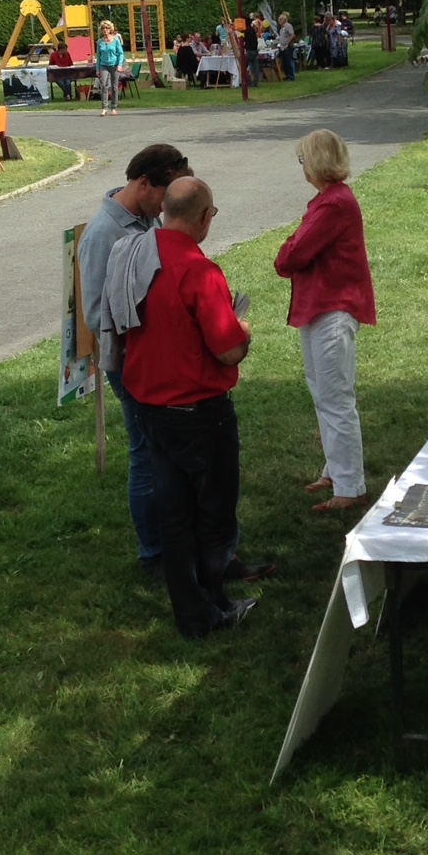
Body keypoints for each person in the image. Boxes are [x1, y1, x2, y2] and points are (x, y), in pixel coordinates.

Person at [123, 178, 261, 639]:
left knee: (175, 515)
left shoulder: (136, 256)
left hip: (150, 405)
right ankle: (213, 605)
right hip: (199, 412)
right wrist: (243, 330)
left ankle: (193, 613)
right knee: (214, 515)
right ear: (203, 217)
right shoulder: (200, 271)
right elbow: (227, 350)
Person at [77, 143, 191, 569]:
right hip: (129, 363)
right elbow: (95, 314)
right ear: (144, 183)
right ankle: (154, 554)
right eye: (165, 195)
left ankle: (175, 542)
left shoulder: (148, 219)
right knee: (145, 452)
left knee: (166, 451)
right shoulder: (103, 235)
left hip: (157, 356)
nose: (168, 206)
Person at [275, 129, 377, 514]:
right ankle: (336, 470)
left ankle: (350, 487)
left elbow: (292, 255)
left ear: (315, 163)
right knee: (323, 393)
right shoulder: (327, 201)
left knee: (335, 398)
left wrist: (288, 247)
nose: (302, 167)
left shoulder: (334, 204)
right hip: (319, 306)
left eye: (304, 160)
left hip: (333, 307)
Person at [94, 18, 126, 116]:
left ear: (110, 29)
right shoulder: (100, 42)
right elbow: (98, 56)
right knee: (104, 86)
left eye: (107, 28)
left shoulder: (116, 40)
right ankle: (104, 107)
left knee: (114, 87)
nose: (105, 30)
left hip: (114, 65)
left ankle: (114, 107)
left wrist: (120, 65)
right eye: (103, 28)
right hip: (104, 65)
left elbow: (121, 53)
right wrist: (98, 69)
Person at [277, 12, 297, 80]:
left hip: (288, 46)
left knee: (289, 61)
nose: (279, 21)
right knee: (285, 62)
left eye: (280, 19)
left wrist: (288, 43)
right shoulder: (281, 28)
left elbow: (292, 35)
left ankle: (291, 76)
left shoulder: (288, 26)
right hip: (282, 47)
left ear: (284, 20)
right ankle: (287, 75)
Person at [243, 12, 261, 88]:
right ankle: (255, 82)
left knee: (243, 66)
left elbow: (245, 40)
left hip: (249, 50)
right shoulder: (252, 30)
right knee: (255, 67)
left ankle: (248, 81)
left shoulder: (246, 31)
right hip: (255, 50)